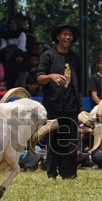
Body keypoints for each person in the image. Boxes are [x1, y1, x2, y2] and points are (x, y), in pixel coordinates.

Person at [36, 24, 83, 180]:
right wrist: (51, 77)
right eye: (64, 34)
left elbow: (79, 85)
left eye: (70, 35)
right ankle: (51, 174)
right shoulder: (48, 55)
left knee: (70, 141)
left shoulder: (75, 57)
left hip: (71, 105)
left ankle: (69, 174)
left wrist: (80, 106)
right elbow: (39, 78)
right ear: (58, 36)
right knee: (54, 140)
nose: (67, 37)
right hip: (53, 104)